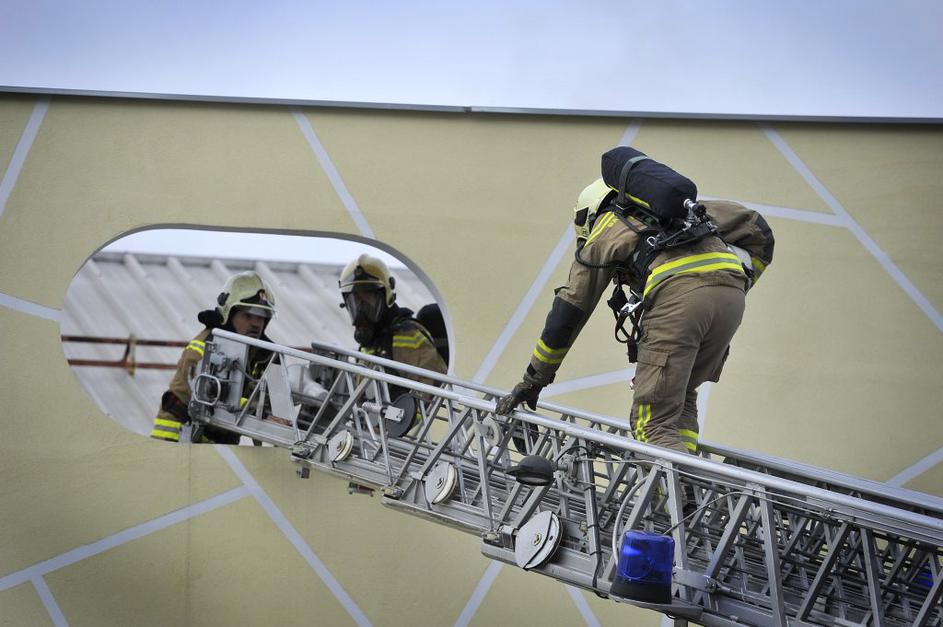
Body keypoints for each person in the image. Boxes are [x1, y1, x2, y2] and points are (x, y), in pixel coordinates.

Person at [496, 147, 775, 456]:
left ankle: (676, 487)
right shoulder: (687, 213)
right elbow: (759, 230)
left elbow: (569, 310)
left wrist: (534, 379)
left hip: (679, 301)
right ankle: (689, 477)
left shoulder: (606, 228)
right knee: (680, 398)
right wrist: (738, 283)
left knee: (651, 425)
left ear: (589, 214)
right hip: (731, 299)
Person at [149, 271, 278, 444]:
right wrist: (259, 412)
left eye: (262, 317)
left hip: (219, 444)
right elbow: (212, 396)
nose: (256, 323)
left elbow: (266, 397)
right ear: (229, 313)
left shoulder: (262, 356)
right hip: (176, 439)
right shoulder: (206, 346)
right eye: (247, 315)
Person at [339, 254, 447, 398]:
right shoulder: (369, 343)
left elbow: (430, 392)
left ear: (386, 296)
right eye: (356, 302)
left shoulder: (408, 335)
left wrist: (405, 409)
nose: (361, 311)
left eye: (367, 299)